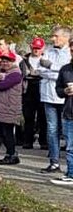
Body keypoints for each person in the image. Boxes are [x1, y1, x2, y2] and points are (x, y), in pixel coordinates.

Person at [37, 26, 72, 174]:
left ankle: (70, 165)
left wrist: (51, 66)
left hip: (65, 99)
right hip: (48, 95)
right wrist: (55, 73)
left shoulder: (69, 53)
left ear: (65, 37)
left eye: (56, 36)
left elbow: (66, 73)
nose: (53, 39)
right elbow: (40, 70)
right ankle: (54, 162)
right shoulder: (49, 52)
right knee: (52, 130)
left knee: (67, 131)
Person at [19, 37, 46, 149]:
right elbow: (21, 76)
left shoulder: (46, 60)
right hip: (28, 90)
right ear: (31, 47)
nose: (36, 50)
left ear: (43, 48)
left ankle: (44, 141)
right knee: (28, 117)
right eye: (34, 48)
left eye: (38, 48)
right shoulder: (23, 61)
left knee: (43, 117)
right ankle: (28, 141)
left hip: (42, 89)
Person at [53, 57, 73, 185]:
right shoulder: (65, 69)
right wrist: (64, 91)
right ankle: (71, 173)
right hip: (69, 113)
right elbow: (58, 89)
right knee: (70, 147)